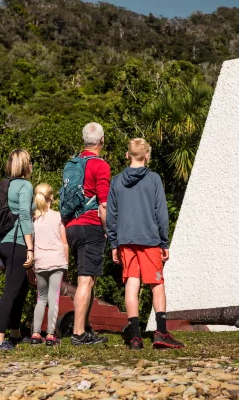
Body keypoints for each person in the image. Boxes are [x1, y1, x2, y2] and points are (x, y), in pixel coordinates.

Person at [107, 138, 185, 350]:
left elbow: (111, 215)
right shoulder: (153, 179)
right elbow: (161, 211)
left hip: (125, 239)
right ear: (147, 156)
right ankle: (160, 332)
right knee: (156, 284)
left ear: (127, 155)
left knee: (132, 284)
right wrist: (164, 241)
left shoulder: (116, 181)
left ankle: (135, 336)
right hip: (149, 239)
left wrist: (114, 242)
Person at [64, 122, 110, 345]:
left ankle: (86, 327)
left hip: (71, 226)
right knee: (85, 280)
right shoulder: (101, 166)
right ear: (101, 141)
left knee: (88, 279)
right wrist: (107, 231)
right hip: (90, 225)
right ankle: (79, 333)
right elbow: (104, 205)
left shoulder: (72, 164)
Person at [0, 149, 34, 352]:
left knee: (21, 288)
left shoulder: (5, 186)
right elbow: (25, 216)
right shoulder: (25, 186)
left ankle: (15, 333)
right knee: (10, 292)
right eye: (30, 162)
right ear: (26, 166)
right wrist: (30, 247)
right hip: (17, 242)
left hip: (3, 243)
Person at [30, 183, 67, 346]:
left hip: (39, 262)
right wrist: (66, 263)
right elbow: (64, 242)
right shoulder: (58, 216)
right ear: (51, 197)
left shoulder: (33, 219)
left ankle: (36, 333)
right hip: (57, 261)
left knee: (41, 298)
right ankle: (51, 334)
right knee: (54, 298)